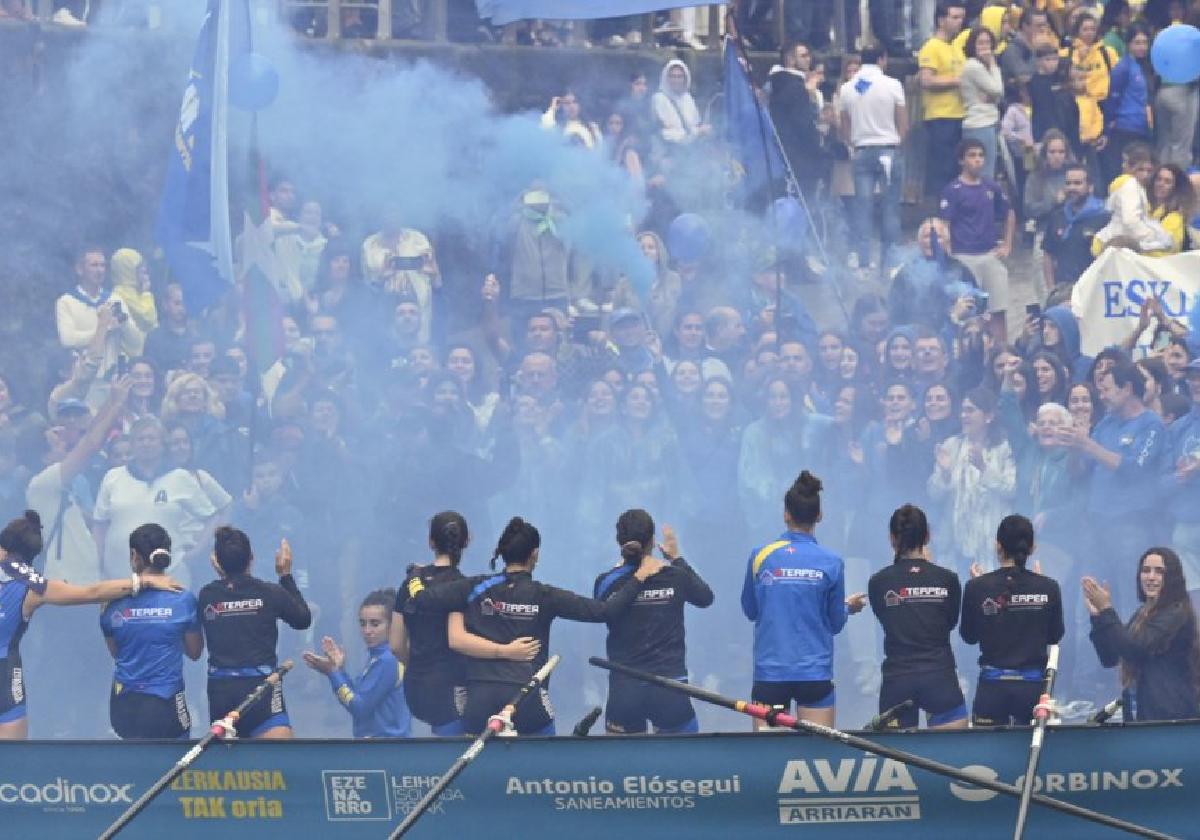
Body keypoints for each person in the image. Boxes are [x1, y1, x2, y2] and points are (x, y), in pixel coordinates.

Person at [403, 516, 660, 735]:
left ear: (502, 552)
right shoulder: (544, 595)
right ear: (535, 554)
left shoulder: (474, 587)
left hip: (479, 702)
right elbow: (606, 611)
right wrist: (638, 577)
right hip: (526, 698)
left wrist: (414, 575)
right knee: (541, 773)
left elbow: (421, 599)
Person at [0, 510, 182, 740]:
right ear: (33, 555)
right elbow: (91, 592)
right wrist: (145, 581)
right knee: (10, 763)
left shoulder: (34, 585)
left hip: (6, 669)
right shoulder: (35, 587)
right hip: (4, 670)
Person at [741, 471, 867, 728]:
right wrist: (847, 607)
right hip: (814, 674)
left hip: (771, 674)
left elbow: (750, 610)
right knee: (816, 759)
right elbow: (835, 623)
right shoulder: (831, 561)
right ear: (819, 516)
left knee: (765, 762)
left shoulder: (760, 556)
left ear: (786, 514)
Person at [391, 511, 529, 736]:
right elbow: (457, 640)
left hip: (415, 687)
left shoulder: (410, 582)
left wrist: (418, 663)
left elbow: (396, 645)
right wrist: (506, 651)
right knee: (453, 754)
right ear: (467, 541)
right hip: (449, 688)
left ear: (430, 542)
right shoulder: (462, 587)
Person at [594, 510, 713, 734]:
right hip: (670, 688)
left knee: (622, 768)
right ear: (652, 541)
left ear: (619, 541)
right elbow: (706, 598)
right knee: (682, 767)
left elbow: (605, 612)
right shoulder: (675, 575)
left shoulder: (606, 582)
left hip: (625, 690)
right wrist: (676, 558)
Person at [199, 527, 311, 740]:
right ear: (252, 558)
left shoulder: (208, 595)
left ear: (217, 562)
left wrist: (225, 575)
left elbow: (230, 592)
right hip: (262, 690)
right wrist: (285, 575)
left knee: (234, 772)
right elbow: (303, 620)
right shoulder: (269, 592)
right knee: (278, 766)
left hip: (222, 693)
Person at [867, 505, 967, 730]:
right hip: (940, 676)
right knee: (952, 759)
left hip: (898, 679)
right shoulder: (947, 579)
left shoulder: (879, 581)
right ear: (928, 536)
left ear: (892, 539)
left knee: (896, 763)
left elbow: (885, 619)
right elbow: (949, 623)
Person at [960, 514, 1065, 726]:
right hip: (1033, 692)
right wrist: (1039, 591)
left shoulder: (976, 587)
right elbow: (1055, 636)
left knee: (986, 757)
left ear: (997, 546)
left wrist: (979, 591)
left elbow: (969, 637)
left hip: (991, 689)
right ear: (1033, 548)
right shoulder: (1049, 587)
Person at [100, 523, 202, 739]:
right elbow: (194, 652)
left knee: (134, 765)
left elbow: (117, 652)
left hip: (122, 703)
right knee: (175, 765)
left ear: (134, 555)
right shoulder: (183, 599)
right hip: (165, 702)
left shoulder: (111, 601)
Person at [1084, 548, 1200, 721]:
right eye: (1146, 570)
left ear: (1172, 577)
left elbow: (1135, 651)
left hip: (1170, 714)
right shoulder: (1142, 612)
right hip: (1141, 710)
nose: (1151, 577)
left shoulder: (1176, 611)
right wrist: (1098, 618)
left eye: (1159, 571)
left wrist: (1107, 610)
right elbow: (1110, 658)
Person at [304, 588, 412, 738]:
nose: (367, 630)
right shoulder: (377, 657)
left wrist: (333, 673)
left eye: (375, 624)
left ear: (392, 625)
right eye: (362, 623)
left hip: (385, 750)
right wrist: (339, 671)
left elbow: (360, 708)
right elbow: (358, 697)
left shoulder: (387, 660)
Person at [839, 45, 907, 272]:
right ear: (882, 58)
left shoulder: (848, 88)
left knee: (863, 208)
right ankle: (890, 263)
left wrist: (854, 144)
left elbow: (844, 124)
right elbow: (902, 121)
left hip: (862, 150)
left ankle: (864, 263)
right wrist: (898, 141)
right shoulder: (893, 85)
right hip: (888, 149)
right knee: (890, 209)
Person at [939, 139, 1016, 337]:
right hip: (963, 257)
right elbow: (945, 225)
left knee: (999, 310)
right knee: (970, 311)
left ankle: (1002, 351)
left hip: (990, 255)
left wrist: (1007, 244)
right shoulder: (953, 190)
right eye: (972, 156)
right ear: (961, 160)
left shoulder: (991, 187)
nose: (977, 160)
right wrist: (949, 257)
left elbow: (1009, 213)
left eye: (981, 156)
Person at [918, 1, 968, 196]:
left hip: (959, 114)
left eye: (961, 18)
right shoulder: (932, 47)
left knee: (957, 169)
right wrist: (957, 81)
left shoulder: (956, 47)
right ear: (941, 20)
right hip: (941, 116)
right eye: (954, 17)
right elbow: (926, 80)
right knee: (943, 169)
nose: (959, 22)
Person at [1041, 163, 1110, 292]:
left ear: (1090, 187)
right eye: (1068, 183)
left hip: (1094, 289)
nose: (1072, 187)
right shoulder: (1058, 216)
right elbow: (1048, 254)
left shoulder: (1104, 217)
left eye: (1078, 183)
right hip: (1064, 288)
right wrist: (1051, 288)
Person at [960, 27, 1005, 181]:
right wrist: (993, 64)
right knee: (984, 174)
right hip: (979, 124)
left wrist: (992, 96)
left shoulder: (982, 67)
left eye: (988, 43)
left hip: (989, 123)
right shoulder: (974, 65)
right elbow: (998, 89)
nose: (985, 47)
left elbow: (997, 97)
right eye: (980, 43)